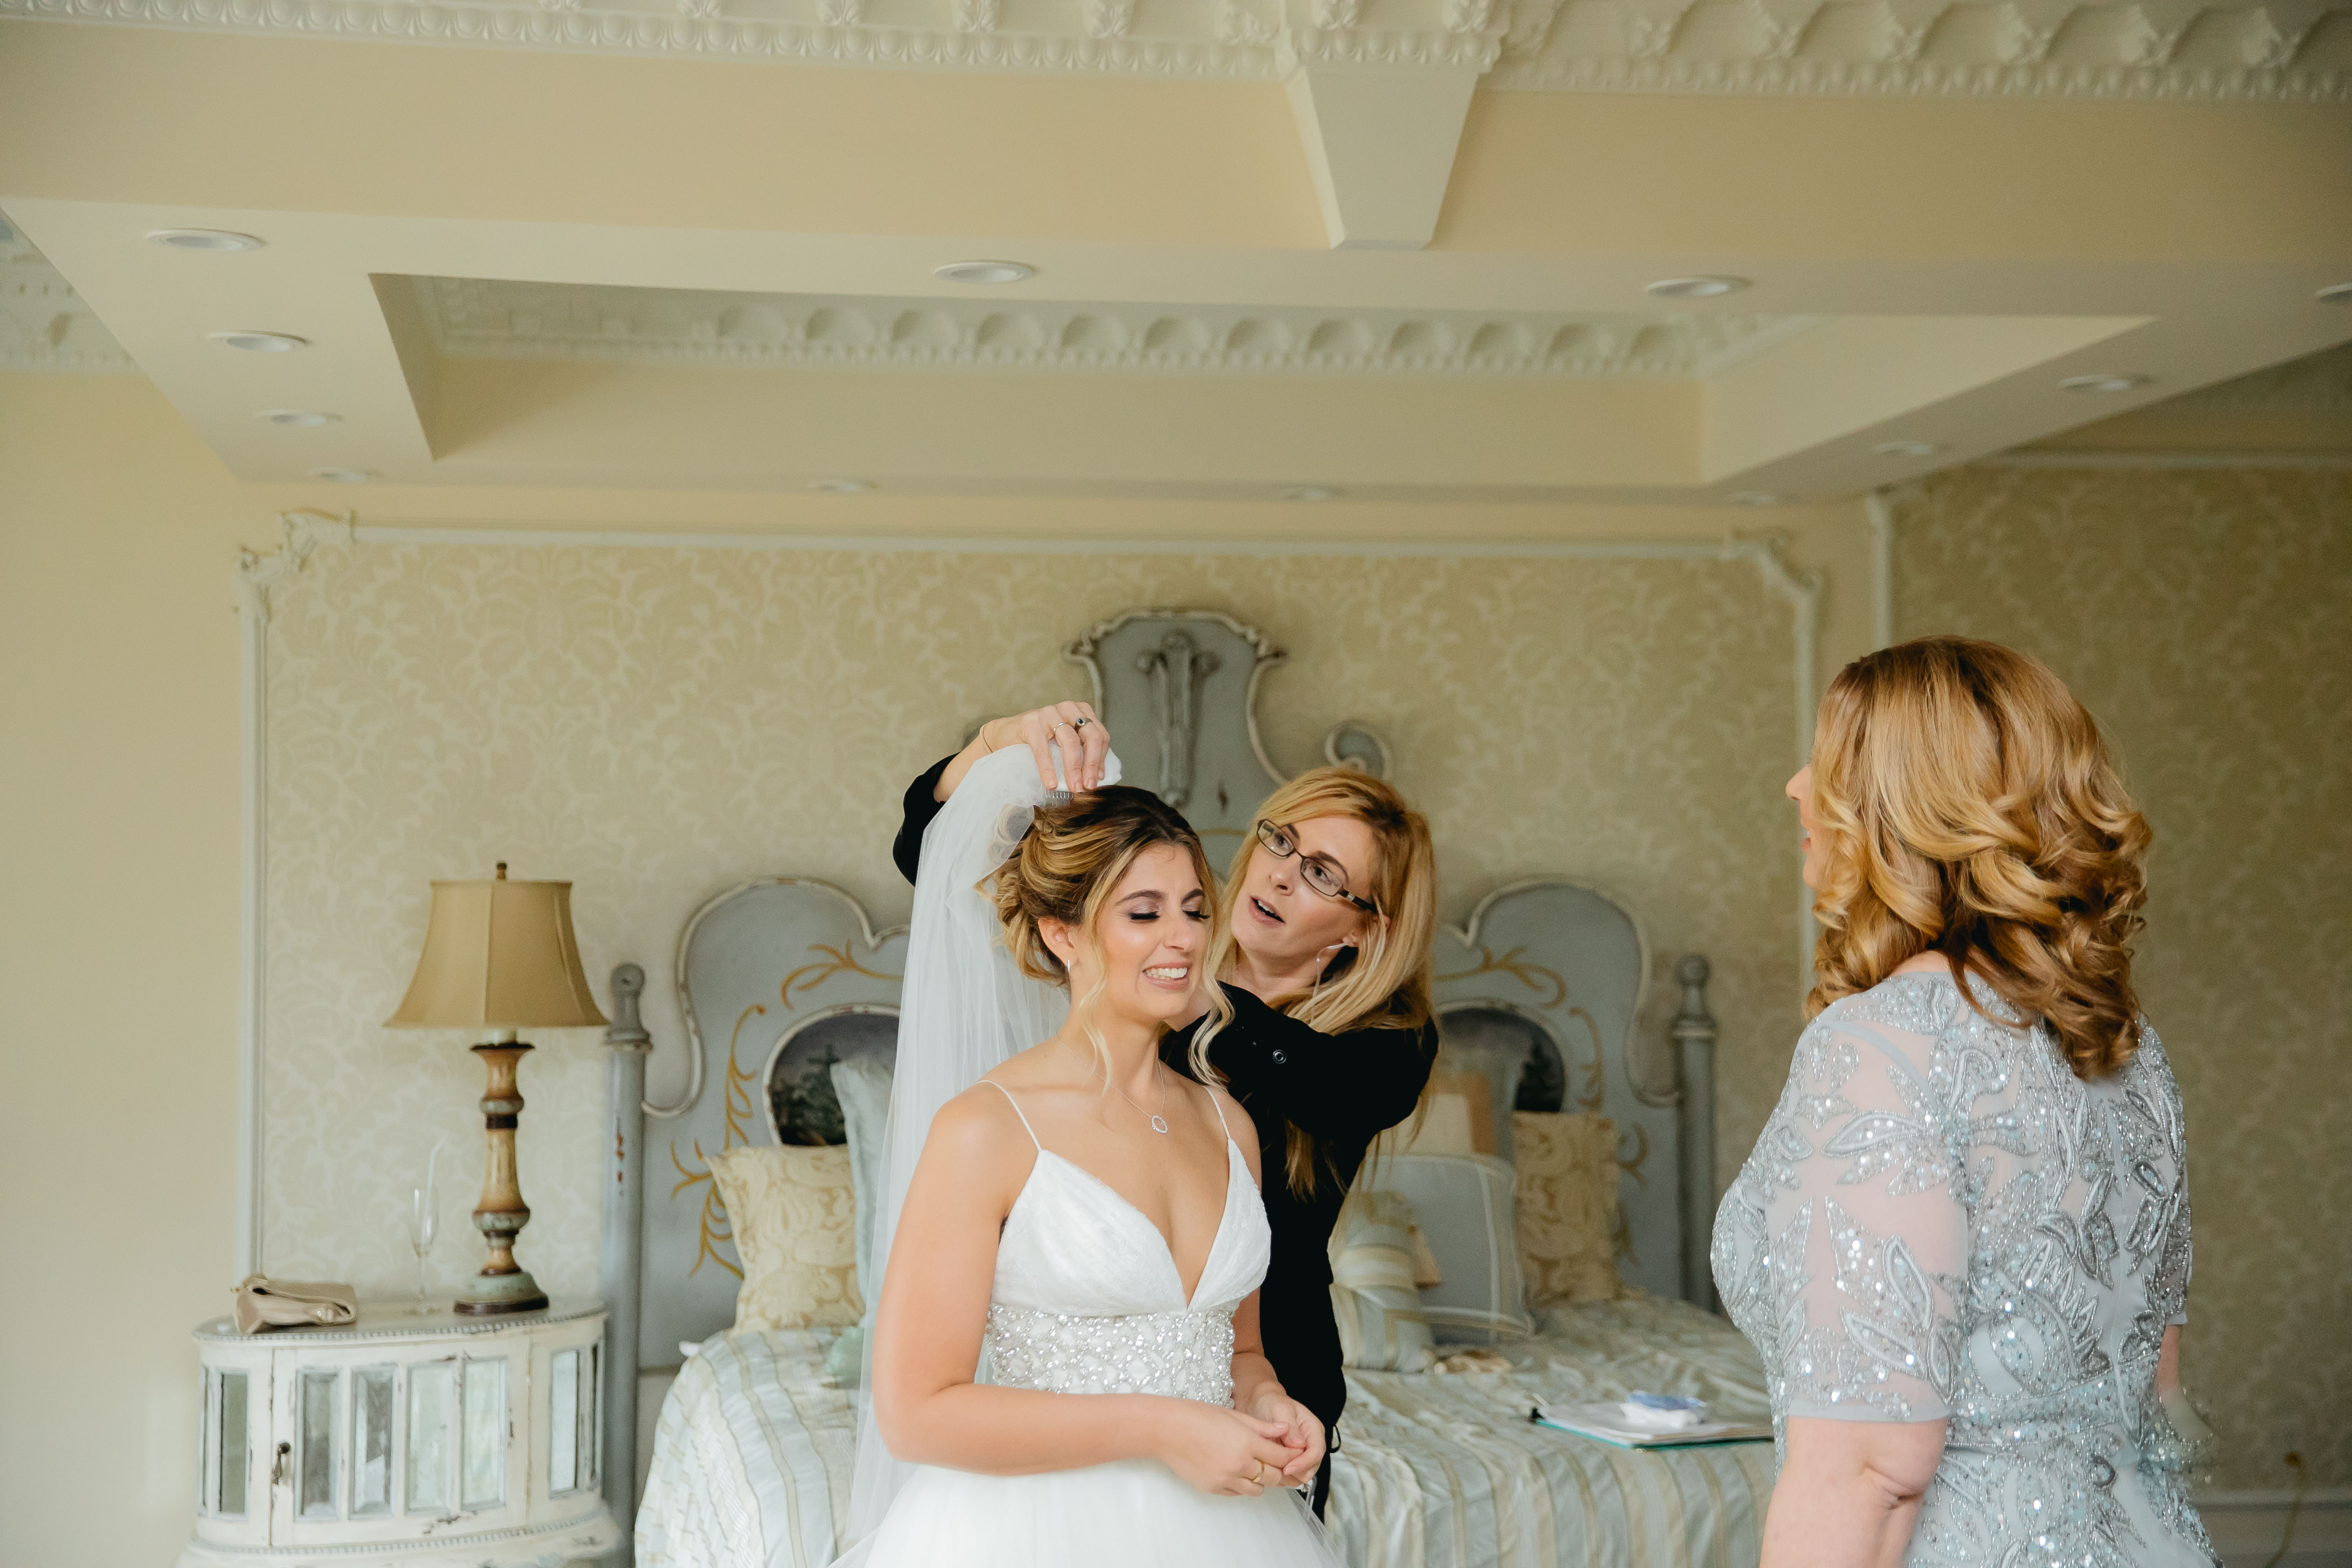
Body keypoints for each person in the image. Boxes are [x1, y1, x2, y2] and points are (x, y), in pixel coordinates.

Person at [1712, 637, 2216, 1568]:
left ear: (1910, 808)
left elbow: (1871, 1468)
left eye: (1829, 760)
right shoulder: (2129, 1048)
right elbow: (2159, 1390)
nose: (1794, 785)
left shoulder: (1878, 1048)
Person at [893, 702, 1440, 1516]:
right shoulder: (999, 1116)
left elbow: (1315, 1081)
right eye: (1280, 840)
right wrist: (990, 747)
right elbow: (938, 853)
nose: (1283, 875)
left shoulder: (1382, 1043)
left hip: (1274, 1375)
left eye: (1324, 875)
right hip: (1073, 1424)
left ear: (1366, 930)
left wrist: (1167, 968)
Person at [841, 759, 1342, 1568]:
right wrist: (1165, 1427)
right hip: (1032, 1531)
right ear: (1061, 932)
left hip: (1232, 1532)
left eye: (1193, 909)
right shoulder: (986, 1129)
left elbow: (1236, 1349)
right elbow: (916, 1413)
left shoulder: (1230, 1123)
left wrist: (1268, 1401)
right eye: (1143, 913)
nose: (1182, 938)